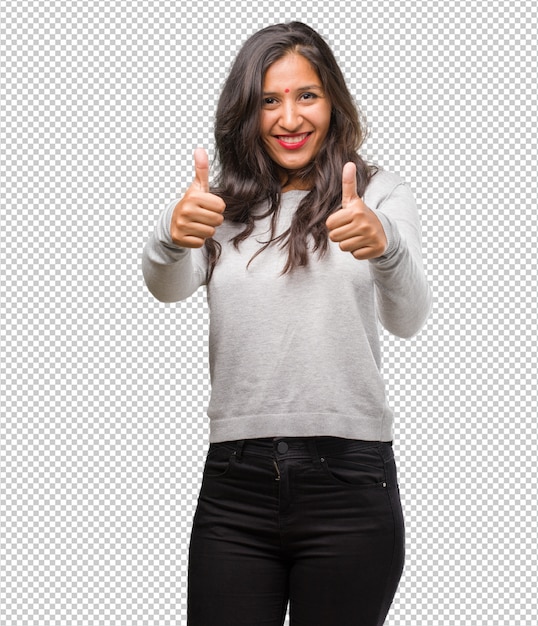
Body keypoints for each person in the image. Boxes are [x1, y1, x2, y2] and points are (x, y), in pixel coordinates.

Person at [142, 21, 432, 626]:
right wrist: (169, 237)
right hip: (234, 484)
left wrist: (386, 247)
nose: (289, 118)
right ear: (246, 113)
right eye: (269, 100)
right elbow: (167, 290)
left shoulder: (376, 193)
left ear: (332, 100)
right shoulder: (219, 206)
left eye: (307, 95)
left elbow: (408, 320)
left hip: (350, 480)